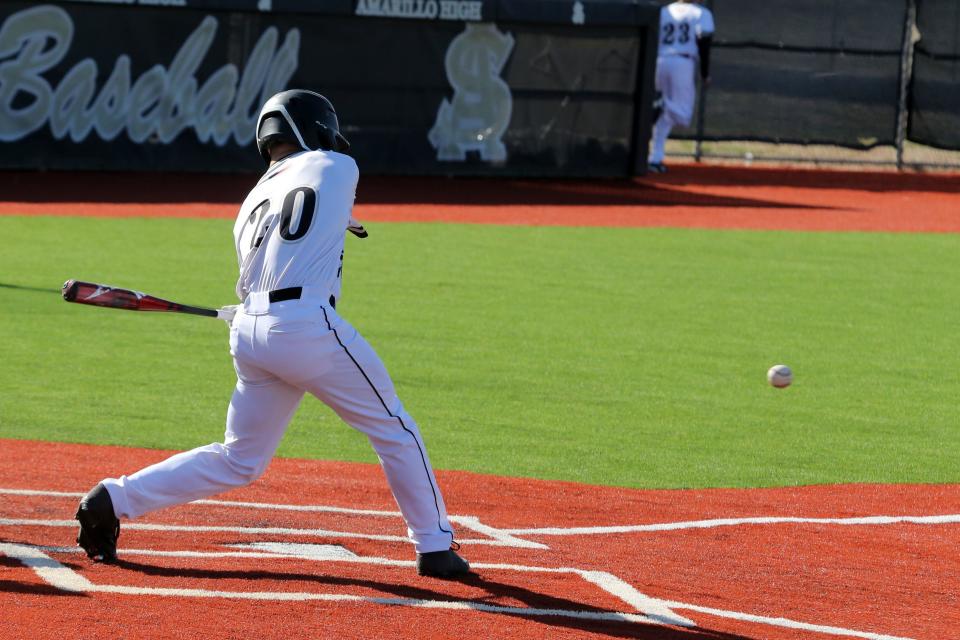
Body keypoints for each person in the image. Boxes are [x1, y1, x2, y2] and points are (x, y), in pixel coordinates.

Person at [75, 89, 470, 579]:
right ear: (314, 128)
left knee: (240, 459)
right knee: (395, 428)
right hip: (305, 327)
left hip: (249, 330)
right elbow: (332, 195)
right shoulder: (338, 166)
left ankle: (112, 500)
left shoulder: (251, 202)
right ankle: (434, 547)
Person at [648, 0, 715, 173]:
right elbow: (704, 44)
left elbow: (651, 36)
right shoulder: (700, 13)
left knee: (666, 117)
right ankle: (661, 103)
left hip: (659, 61)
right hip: (682, 63)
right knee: (683, 113)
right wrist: (705, 73)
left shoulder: (663, 11)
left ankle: (655, 158)